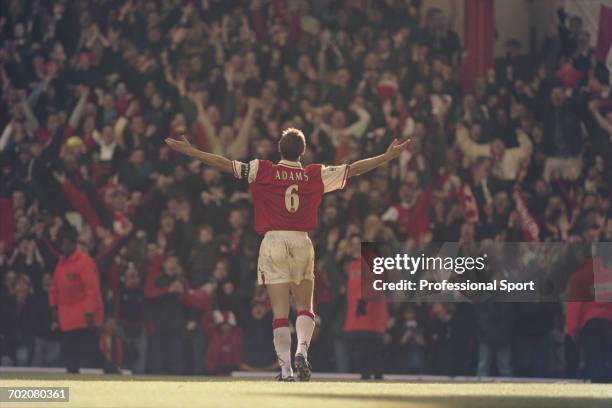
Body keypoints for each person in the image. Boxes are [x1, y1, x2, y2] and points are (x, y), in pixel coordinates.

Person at [165, 128, 410, 381]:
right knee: (305, 307)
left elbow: (224, 164)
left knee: (279, 313)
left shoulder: (262, 169)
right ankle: (301, 351)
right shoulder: (314, 174)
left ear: (279, 148)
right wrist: (386, 156)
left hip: (273, 241)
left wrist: (192, 151)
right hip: (301, 241)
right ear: (302, 152)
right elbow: (354, 168)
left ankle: (285, 369)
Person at [48, 226, 118, 374]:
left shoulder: (85, 263)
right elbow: (54, 287)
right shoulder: (61, 264)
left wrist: (89, 312)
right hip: (67, 317)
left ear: (74, 244)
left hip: (83, 318)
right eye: (62, 243)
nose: (64, 246)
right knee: (69, 355)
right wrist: (53, 307)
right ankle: (75, 383)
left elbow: (92, 290)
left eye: (67, 243)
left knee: (91, 353)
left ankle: (112, 371)